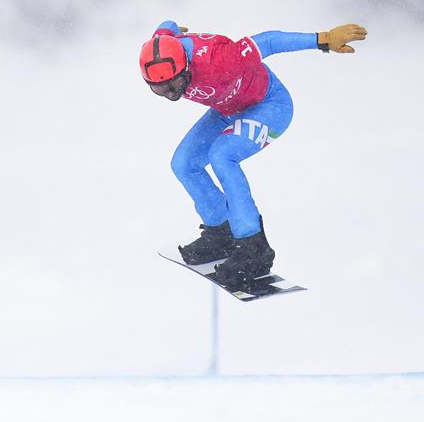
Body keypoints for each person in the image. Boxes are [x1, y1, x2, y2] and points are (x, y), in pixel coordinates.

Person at [140, 20, 367, 286]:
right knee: (183, 163)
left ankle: (253, 248)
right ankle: (220, 233)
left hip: (269, 106)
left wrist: (323, 38)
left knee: (222, 156)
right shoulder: (164, 47)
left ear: (186, 65)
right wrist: (172, 28)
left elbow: (269, 40)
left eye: (174, 84)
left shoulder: (221, 60)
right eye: (159, 89)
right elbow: (164, 29)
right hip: (229, 108)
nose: (170, 93)